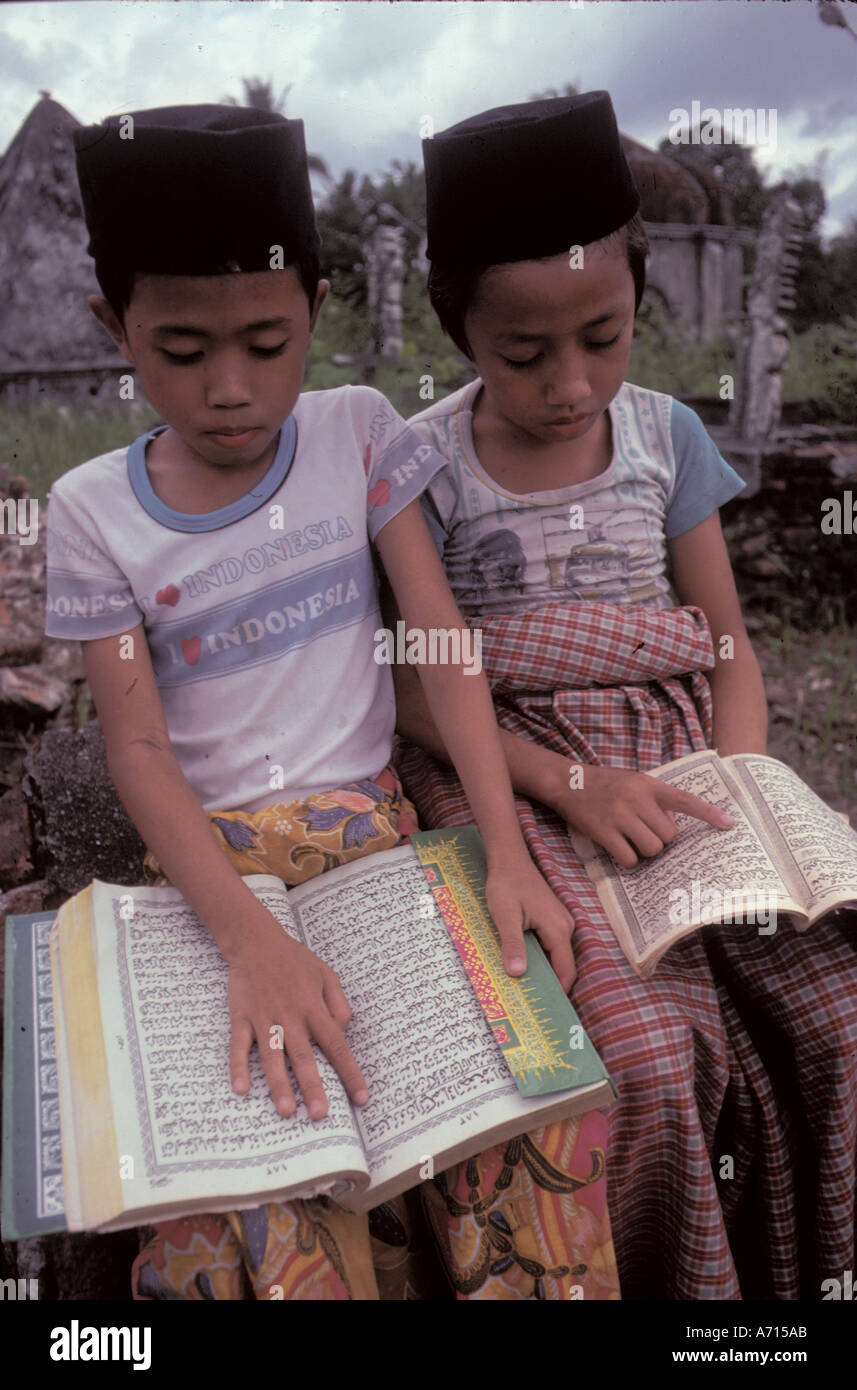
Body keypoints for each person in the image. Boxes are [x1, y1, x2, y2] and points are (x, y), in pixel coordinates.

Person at [44, 103, 618, 1300]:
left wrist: (503, 855)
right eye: (180, 349)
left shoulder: (355, 434)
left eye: (265, 338)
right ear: (115, 328)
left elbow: (438, 642)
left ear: (314, 302)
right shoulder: (90, 510)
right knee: (252, 1185)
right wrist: (248, 938)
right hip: (215, 880)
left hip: (385, 849)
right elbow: (139, 748)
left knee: (522, 1128)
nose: (230, 390)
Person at [389, 91, 857, 1299]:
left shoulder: (664, 439)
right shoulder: (421, 465)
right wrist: (566, 783)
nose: (569, 381)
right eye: (522, 352)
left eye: (603, 334)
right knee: (644, 1048)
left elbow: (721, 648)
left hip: (676, 754)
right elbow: (412, 687)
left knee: (833, 1006)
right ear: (458, 331)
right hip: (514, 760)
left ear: (638, 296)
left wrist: (738, 787)